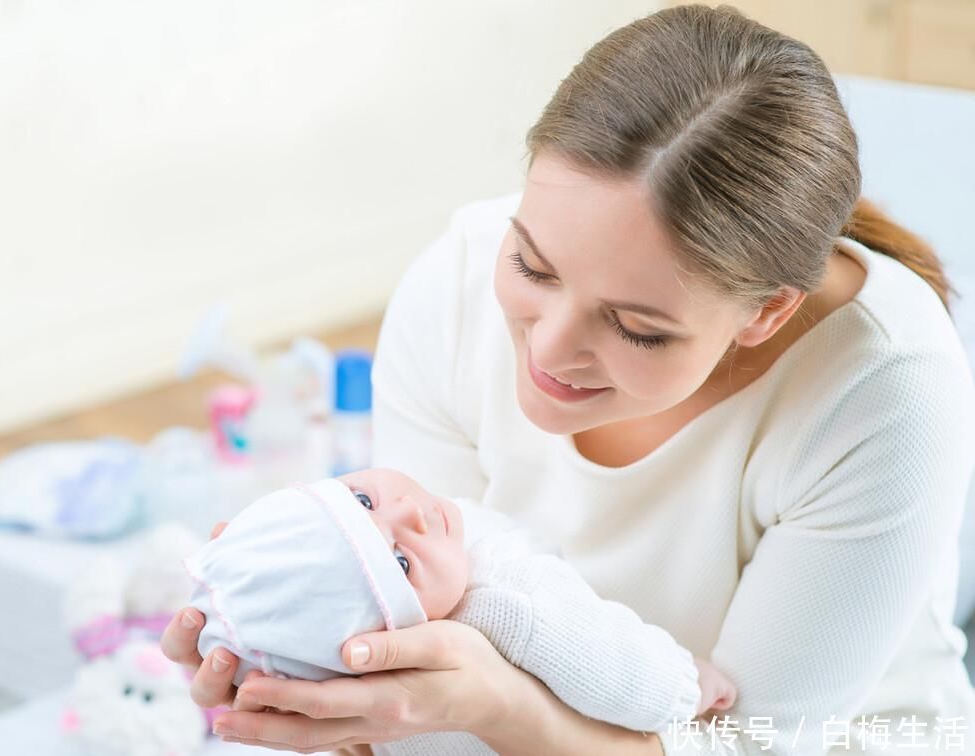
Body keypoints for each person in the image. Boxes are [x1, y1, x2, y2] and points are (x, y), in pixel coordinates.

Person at [162, 5, 975, 754]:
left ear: (765, 314)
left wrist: (502, 708)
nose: (549, 352)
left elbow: (751, 742)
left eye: (637, 328)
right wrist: (311, 669)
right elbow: (419, 610)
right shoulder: (455, 286)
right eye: (532, 265)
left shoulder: (888, 391)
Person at [182, 468, 736, 730]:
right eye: (399, 562)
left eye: (363, 498)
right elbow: (622, 673)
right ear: (389, 637)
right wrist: (685, 681)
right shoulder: (508, 603)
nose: (412, 512)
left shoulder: (360, 692)